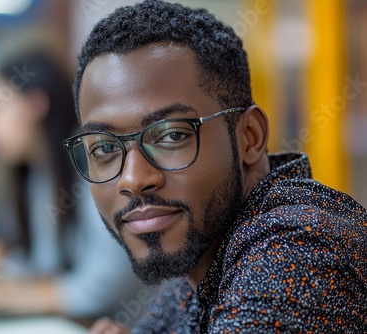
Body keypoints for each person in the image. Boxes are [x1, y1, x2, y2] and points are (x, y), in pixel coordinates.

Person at [62, 1, 367, 332]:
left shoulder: (295, 253)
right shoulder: (200, 257)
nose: (134, 179)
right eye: (105, 147)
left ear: (249, 136)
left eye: (171, 136)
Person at [0, 52, 145, 322]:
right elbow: (42, 264)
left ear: (35, 104)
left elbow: (101, 289)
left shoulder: (99, 165)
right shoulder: (33, 174)